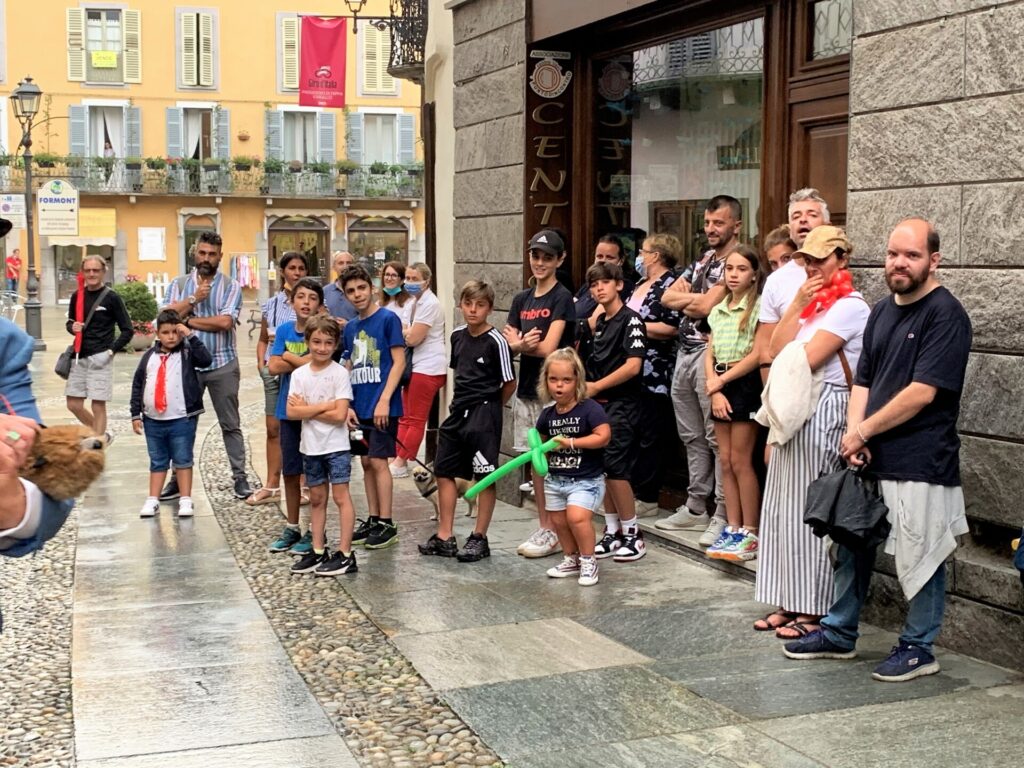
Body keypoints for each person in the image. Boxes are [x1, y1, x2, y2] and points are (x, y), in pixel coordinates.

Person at [784, 219, 972, 683]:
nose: (899, 263)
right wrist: (855, 437)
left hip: (922, 460)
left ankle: (919, 645)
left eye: (911, 255)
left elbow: (923, 392)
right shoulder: (884, 311)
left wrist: (862, 431)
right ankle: (839, 630)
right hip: (870, 453)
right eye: (893, 254)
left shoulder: (946, 314)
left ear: (934, 260)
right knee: (851, 542)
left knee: (921, 554)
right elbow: (862, 380)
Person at [754, 225, 869, 639]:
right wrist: (796, 304)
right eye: (807, 259)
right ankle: (789, 598)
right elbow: (773, 348)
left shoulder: (852, 306)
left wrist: (789, 341)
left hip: (825, 407)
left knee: (813, 508)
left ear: (842, 258)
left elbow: (808, 356)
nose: (813, 266)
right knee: (783, 507)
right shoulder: (814, 305)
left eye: (821, 258)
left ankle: (816, 607)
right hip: (795, 407)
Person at [657, 196, 741, 544]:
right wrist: (694, 303)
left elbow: (708, 305)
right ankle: (695, 506)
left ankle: (721, 512)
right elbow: (665, 298)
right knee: (690, 435)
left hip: (715, 355)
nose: (710, 229)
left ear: (736, 225)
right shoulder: (704, 259)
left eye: (718, 223)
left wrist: (692, 302)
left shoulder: (736, 263)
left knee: (716, 438)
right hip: (685, 352)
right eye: (707, 223)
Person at [418, 280, 516, 562]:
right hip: (457, 411)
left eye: (480, 305)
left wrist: (491, 408)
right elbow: (458, 373)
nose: (473, 310)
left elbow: (509, 381)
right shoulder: (458, 335)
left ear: (489, 308)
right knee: (445, 470)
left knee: (484, 474)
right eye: (468, 303)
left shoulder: (497, 341)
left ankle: (479, 537)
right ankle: (445, 535)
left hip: (484, 413)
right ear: (460, 305)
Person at [161, 231, 253, 500]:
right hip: (186, 365)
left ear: (220, 257)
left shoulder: (231, 286)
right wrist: (193, 301)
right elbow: (165, 317)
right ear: (195, 253)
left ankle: (240, 477)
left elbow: (225, 323)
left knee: (230, 424)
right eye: (202, 253)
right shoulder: (179, 285)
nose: (206, 258)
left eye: (212, 254)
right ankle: (177, 478)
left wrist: (187, 321)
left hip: (222, 363)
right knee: (183, 425)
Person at [505, 229, 576, 559]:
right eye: (536, 255)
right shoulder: (522, 299)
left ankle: (557, 527)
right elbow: (510, 343)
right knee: (536, 462)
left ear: (559, 260)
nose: (540, 262)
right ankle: (545, 525)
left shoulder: (562, 297)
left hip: (555, 393)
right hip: (526, 389)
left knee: (556, 460)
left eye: (548, 257)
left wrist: (522, 344)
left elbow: (550, 348)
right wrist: (521, 344)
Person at [580, 262, 648, 562]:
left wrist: (598, 387)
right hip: (599, 405)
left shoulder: (631, 320)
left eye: (605, 283)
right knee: (602, 468)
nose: (599, 289)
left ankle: (633, 533)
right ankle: (612, 530)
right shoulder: (601, 322)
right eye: (594, 284)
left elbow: (633, 366)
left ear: (619, 285)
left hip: (623, 404)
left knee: (617, 469)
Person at [703, 245, 764, 561]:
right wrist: (713, 389)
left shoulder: (758, 308)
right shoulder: (718, 309)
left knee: (741, 459)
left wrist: (723, 382)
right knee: (724, 459)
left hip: (743, 383)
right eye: (730, 269)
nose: (735, 275)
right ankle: (733, 525)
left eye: (741, 269)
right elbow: (709, 351)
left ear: (754, 273)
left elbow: (757, 355)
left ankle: (751, 531)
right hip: (719, 384)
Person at [286, 315, 358, 576]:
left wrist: (308, 409)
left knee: (341, 496)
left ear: (335, 344)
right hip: (311, 446)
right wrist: (326, 405)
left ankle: (346, 553)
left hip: (336, 445)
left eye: (328, 342)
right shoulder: (298, 375)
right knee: (317, 498)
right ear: (307, 341)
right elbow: (292, 413)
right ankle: (317, 550)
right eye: (316, 342)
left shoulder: (339, 373)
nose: (322, 348)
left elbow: (340, 416)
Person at [342, 264, 405, 550]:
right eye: (351, 291)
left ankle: (387, 522)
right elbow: (348, 365)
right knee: (366, 461)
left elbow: (399, 362)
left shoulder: (388, 319)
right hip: (360, 405)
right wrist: (347, 404)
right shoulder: (351, 327)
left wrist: (384, 399)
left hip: (383, 404)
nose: (357, 295)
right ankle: (373, 517)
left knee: (380, 461)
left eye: (361, 288)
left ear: (372, 287)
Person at [537, 348, 611, 586]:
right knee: (559, 521)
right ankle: (572, 558)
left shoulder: (590, 409)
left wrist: (570, 442)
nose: (559, 386)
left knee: (577, 518)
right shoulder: (547, 415)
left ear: (577, 381)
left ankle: (589, 560)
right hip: (556, 479)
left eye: (566, 380)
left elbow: (603, 436)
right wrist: (539, 459)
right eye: (553, 379)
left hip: (586, 480)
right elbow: (539, 445)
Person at [130, 310, 212, 519]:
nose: (171, 336)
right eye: (166, 332)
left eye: (175, 332)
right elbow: (138, 384)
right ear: (158, 334)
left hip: (181, 418)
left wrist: (190, 336)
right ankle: (153, 499)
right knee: (157, 460)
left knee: (183, 459)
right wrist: (135, 414)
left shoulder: (187, 353)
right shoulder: (149, 357)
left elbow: (206, 360)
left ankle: (185, 498)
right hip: (153, 420)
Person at [627, 234, 683, 516]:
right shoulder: (639, 283)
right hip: (630, 369)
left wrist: (634, 328)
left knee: (652, 434)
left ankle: (648, 495)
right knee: (632, 431)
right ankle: (631, 489)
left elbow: (673, 327)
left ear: (656, 256)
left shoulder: (671, 284)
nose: (640, 256)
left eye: (643, 251)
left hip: (656, 371)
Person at [266, 277, 323, 555]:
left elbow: (320, 364)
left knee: (314, 472)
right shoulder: (286, 329)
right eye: (301, 297)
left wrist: (290, 357)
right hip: (288, 412)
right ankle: (292, 525)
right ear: (292, 301)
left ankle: (315, 527)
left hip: (314, 415)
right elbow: (273, 366)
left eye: (312, 298)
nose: (306, 303)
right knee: (291, 471)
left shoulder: (323, 332)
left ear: (319, 305)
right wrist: (290, 358)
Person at [248, 252, 307, 506]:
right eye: (292, 268)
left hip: (299, 372)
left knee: (301, 429)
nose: (297, 272)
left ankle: (303, 484)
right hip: (273, 370)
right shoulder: (271, 304)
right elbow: (263, 338)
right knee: (273, 429)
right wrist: (261, 364)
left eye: (301, 268)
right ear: (283, 271)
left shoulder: (310, 301)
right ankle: (272, 484)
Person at [757, 189, 831, 385]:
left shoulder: (839, 270)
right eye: (796, 216)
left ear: (827, 225)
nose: (803, 220)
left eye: (812, 215)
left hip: (832, 381)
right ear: (790, 229)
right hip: (790, 382)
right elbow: (766, 346)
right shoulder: (776, 280)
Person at [64, 255, 133, 445]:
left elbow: (128, 329)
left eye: (96, 270)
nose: (92, 274)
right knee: (73, 404)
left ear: (103, 272)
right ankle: (101, 434)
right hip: (79, 356)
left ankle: (97, 447)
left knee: (97, 404)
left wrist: (111, 351)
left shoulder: (112, 298)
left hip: (101, 356)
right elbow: (70, 322)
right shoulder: (77, 296)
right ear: (83, 272)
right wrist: (72, 327)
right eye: (88, 270)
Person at [390, 262, 446, 478]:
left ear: (427, 281)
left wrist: (406, 332)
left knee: (415, 418)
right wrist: (407, 331)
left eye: (415, 279)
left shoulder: (430, 304)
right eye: (408, 278)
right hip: (415, 366)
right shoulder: (414, 303)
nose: (409, 283)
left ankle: (402, 460)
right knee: (405, 415)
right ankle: (398, 457)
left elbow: (413, 338)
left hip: (428, 367)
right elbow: (405, 330)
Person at [573, 235, 634, 320]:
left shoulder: (622, 285)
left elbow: (596, 321)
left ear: (621, 260)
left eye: (609, 257)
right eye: (599, 256)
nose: (603, 261)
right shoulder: (588, 284)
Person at [323, 250, 359, 337]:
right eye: (341, 263)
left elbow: (368, 320)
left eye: (348, 263)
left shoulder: (360, 291)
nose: (345, 266)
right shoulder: (324, 291)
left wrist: (348, 325)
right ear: (334, 266)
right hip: (329, 344)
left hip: (355, 341)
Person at [379, 260, 414, 327]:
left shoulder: (410, 303)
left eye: (394, 275)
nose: (389, 278)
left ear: (402, 280)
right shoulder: (378, 304)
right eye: (387, 274)